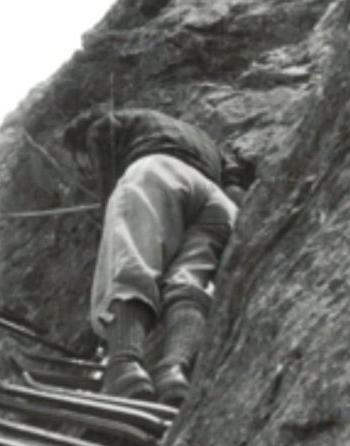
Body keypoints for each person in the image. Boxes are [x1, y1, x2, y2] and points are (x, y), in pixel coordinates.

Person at [63, 106, 247, 405]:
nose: (83, 171)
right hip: (216, 199)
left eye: (80, 163)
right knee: (189, 280)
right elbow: (234, 179)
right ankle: (174, 370)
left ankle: (124, 366)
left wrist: (110, 203)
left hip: (155, 173)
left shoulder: (103, 126)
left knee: (131, 261)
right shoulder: (201, 136)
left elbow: (110, 188)